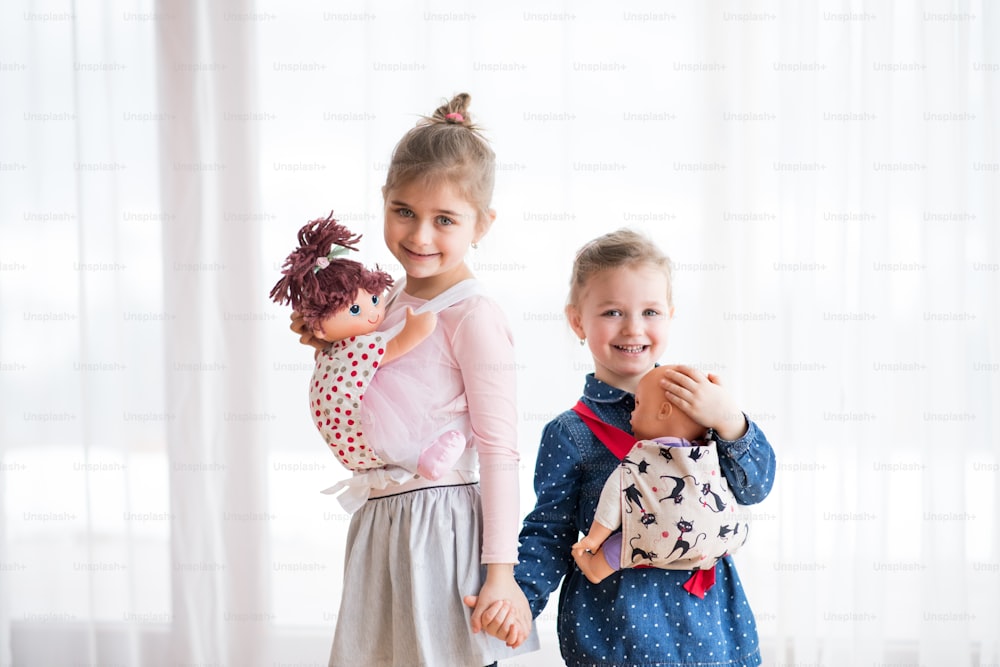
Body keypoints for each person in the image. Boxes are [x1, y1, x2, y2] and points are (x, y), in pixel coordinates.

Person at [291, 93, 534, 666]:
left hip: (442, 531)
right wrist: (327, 350)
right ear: (383, 203)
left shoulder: (473, 315)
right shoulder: (381, 304)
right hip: (383, 526)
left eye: (444, 220)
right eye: (404, 211)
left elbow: (500, 450)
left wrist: (501, 574)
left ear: (483, 224)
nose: (420, 236)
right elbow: (366, 401)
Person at [510, 229, 776, 667]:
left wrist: (731, 421)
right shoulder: (569, 433)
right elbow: (549, 533)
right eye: (613, 311)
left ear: (670, 316)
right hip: (616, 636)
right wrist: (518, 600)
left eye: (650, 311)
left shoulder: (705, 404)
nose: (633, 328)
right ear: (577, 321)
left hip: (711, 632)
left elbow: (755, 488)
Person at [270, 213, 468, 510]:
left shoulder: (331, 350)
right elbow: (395, 347)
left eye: (374, 301)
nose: (374, 315)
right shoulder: (356, 347)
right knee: (395, 434)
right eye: (354, 311)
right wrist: (417, 329)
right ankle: (423, 459)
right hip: (361, 427)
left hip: (347, 442)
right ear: (320, 325)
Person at [571, 364, 751, 589]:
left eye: (637, 404)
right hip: (724, 538)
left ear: (663, 411)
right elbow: (743, 490)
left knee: (626, 540)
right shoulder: (712, 451)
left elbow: (613, 497)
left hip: (658, 536)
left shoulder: (642, 456)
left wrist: (595, 538)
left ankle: (595, 569)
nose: (631, 414)